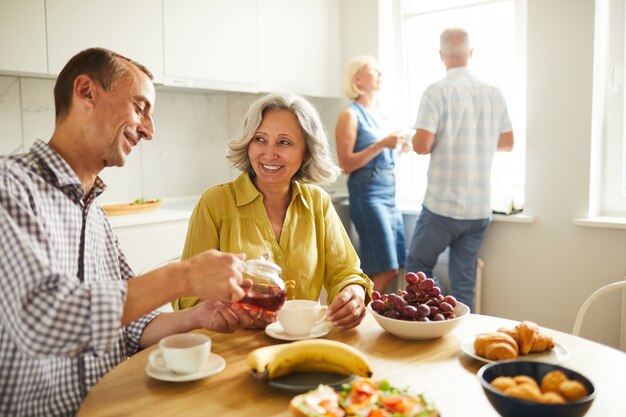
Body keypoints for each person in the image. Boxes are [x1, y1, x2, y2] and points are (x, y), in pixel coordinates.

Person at [0, 48, 260, 417]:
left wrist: (199, 317)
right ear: (87, 92)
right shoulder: (10, 186)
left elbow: (132, 326)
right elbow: (44, 318)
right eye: (140, 107)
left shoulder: (95, 213)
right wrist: (185, 276)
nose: (149, 130)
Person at [173, 93, 373, 330]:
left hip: (301, 340)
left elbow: (346, 272)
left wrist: (354, 293)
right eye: (260, 139)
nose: (269, 153)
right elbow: (188, 297)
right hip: (234, 346)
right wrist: (233, 309)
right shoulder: (215, 203)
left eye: (284, 142)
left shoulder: (318, 202)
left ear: (306, 152)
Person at [407, 28, 514, 311]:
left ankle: (438, 319)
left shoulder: (436, 92)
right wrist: (476, 142)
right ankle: (460, 334)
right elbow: (507, 142)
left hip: (442, 206)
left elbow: (421, 145)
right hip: (478, 209)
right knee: (464, 283)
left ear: (442, 56)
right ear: (470, 53)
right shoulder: (493, 92)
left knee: (418, 268)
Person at [334, 55, 407, 292]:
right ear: (358, 79)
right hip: (369, 196)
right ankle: (357, 313)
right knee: (385, 268)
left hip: (389, 195)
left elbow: (381, 158)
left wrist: (401, 149)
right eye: (374, 70)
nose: (381, 74)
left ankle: (370, 317)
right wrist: (382, 144)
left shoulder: (381, 117)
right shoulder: (350, 115)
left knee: (394, 267)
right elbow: (346, 164)